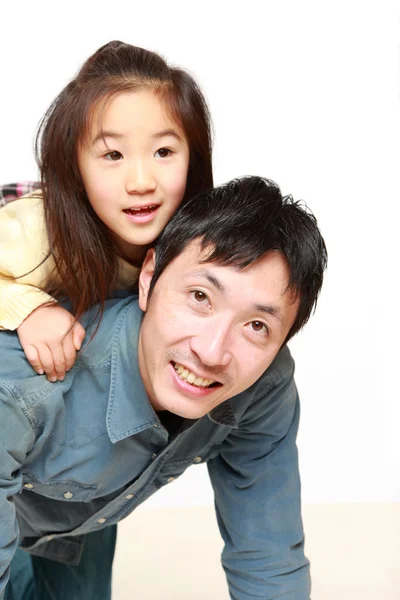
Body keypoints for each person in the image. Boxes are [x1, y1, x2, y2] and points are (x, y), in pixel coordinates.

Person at [0, 175, 327, 599]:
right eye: (199, 297)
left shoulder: (263, 385)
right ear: (148, 277)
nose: (212, 352)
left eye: (257, 325)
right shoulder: (21, 384)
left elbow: (267, 553)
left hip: (80, 509)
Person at [0, 40, 213, 382]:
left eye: (163, 152)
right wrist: (28, 309)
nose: (142, 182)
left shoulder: (197, 238)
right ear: (75, 167)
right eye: (113, 155)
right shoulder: (35, 230)